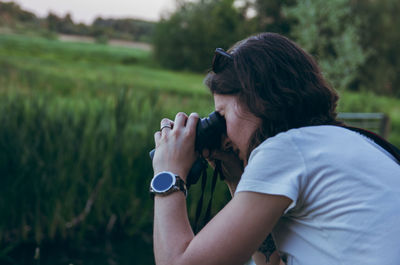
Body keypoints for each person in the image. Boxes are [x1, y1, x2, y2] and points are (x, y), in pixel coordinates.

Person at [150, 32, 400, 265]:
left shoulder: (285, 149)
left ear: (259, 99)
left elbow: (177, 262)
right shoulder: (345, 142)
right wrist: (238, 178)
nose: (223, 138)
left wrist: (167, 171)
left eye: (222, 116)